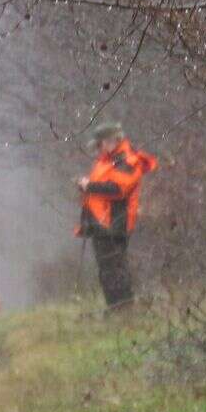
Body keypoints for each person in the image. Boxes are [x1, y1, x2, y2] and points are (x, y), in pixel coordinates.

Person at [74, 120, 158, 310]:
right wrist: (86, 187)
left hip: (114, 224)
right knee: (107, 270)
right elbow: (103, 189)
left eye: (100, 144)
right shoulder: (107, 162)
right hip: (101, 225)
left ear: (111, 141)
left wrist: (89, 186)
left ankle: (123, 310)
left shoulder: (129, 160)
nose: (98, 149)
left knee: (115, 270)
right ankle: (117, 310)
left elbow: (118, 189)